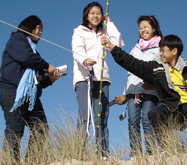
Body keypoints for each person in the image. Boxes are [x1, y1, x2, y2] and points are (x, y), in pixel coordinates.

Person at [101, 34, 187, 148]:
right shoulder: (156, 68)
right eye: (159, 50)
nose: (160, 54)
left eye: (163, 50)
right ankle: (167, 148)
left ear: (174, 51)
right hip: (171, 108)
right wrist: (112, 48)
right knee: (154, 113)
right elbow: (132, 64)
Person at [0, 15, 60, 162]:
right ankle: (10, 162)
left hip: (31, 96)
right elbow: (26, 58)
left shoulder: (34, 53)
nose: (41, 32)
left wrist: (50, 78)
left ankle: (32, 161)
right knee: (15, 130)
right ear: (29, 26)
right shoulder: (17, 39)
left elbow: (36, 80)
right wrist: (47, 66)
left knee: (41, 128)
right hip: (12, 91)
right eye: (39, 28)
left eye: (42, 30)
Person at [71, 1, 124, 158]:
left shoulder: (104, 33)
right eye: (92, 13)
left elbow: (118, 43)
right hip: (84, 78)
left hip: (102, 78)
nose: (95, 16)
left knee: (101, 115)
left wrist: (109, 23)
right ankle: (79, 153)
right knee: (85, 116)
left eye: (98, 13)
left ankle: (103, 153)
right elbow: (77, 49)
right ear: (86, 15)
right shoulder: (79, 31)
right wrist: (85, 60)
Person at [113, 16, 162, 157]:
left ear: (154, 28)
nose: (143, 30)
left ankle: (151, 153)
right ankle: (136, 154)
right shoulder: (135, 48)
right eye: (140, 28)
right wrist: (124, 93)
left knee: (147, 120)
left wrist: (152, 81)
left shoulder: (160, 47)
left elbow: (161, 70)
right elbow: (131, 74)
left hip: (150, 91)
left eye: (146, 27)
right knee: (132, 121)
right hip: (132, 92)